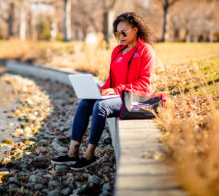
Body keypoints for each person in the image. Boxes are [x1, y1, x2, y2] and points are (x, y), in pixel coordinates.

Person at [51, 12, 156, 170]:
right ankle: (73, 151)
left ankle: (90, 154)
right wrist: (100, 90)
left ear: (135, 29)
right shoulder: (117, 51)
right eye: (117, 33)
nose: (120, 36)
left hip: (136, 99)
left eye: (124, 32)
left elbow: (144, 83)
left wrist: (116, 89)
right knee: (86, 103)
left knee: (101, 106)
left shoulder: (145, 50)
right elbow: (111, 80)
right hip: (119, 95)